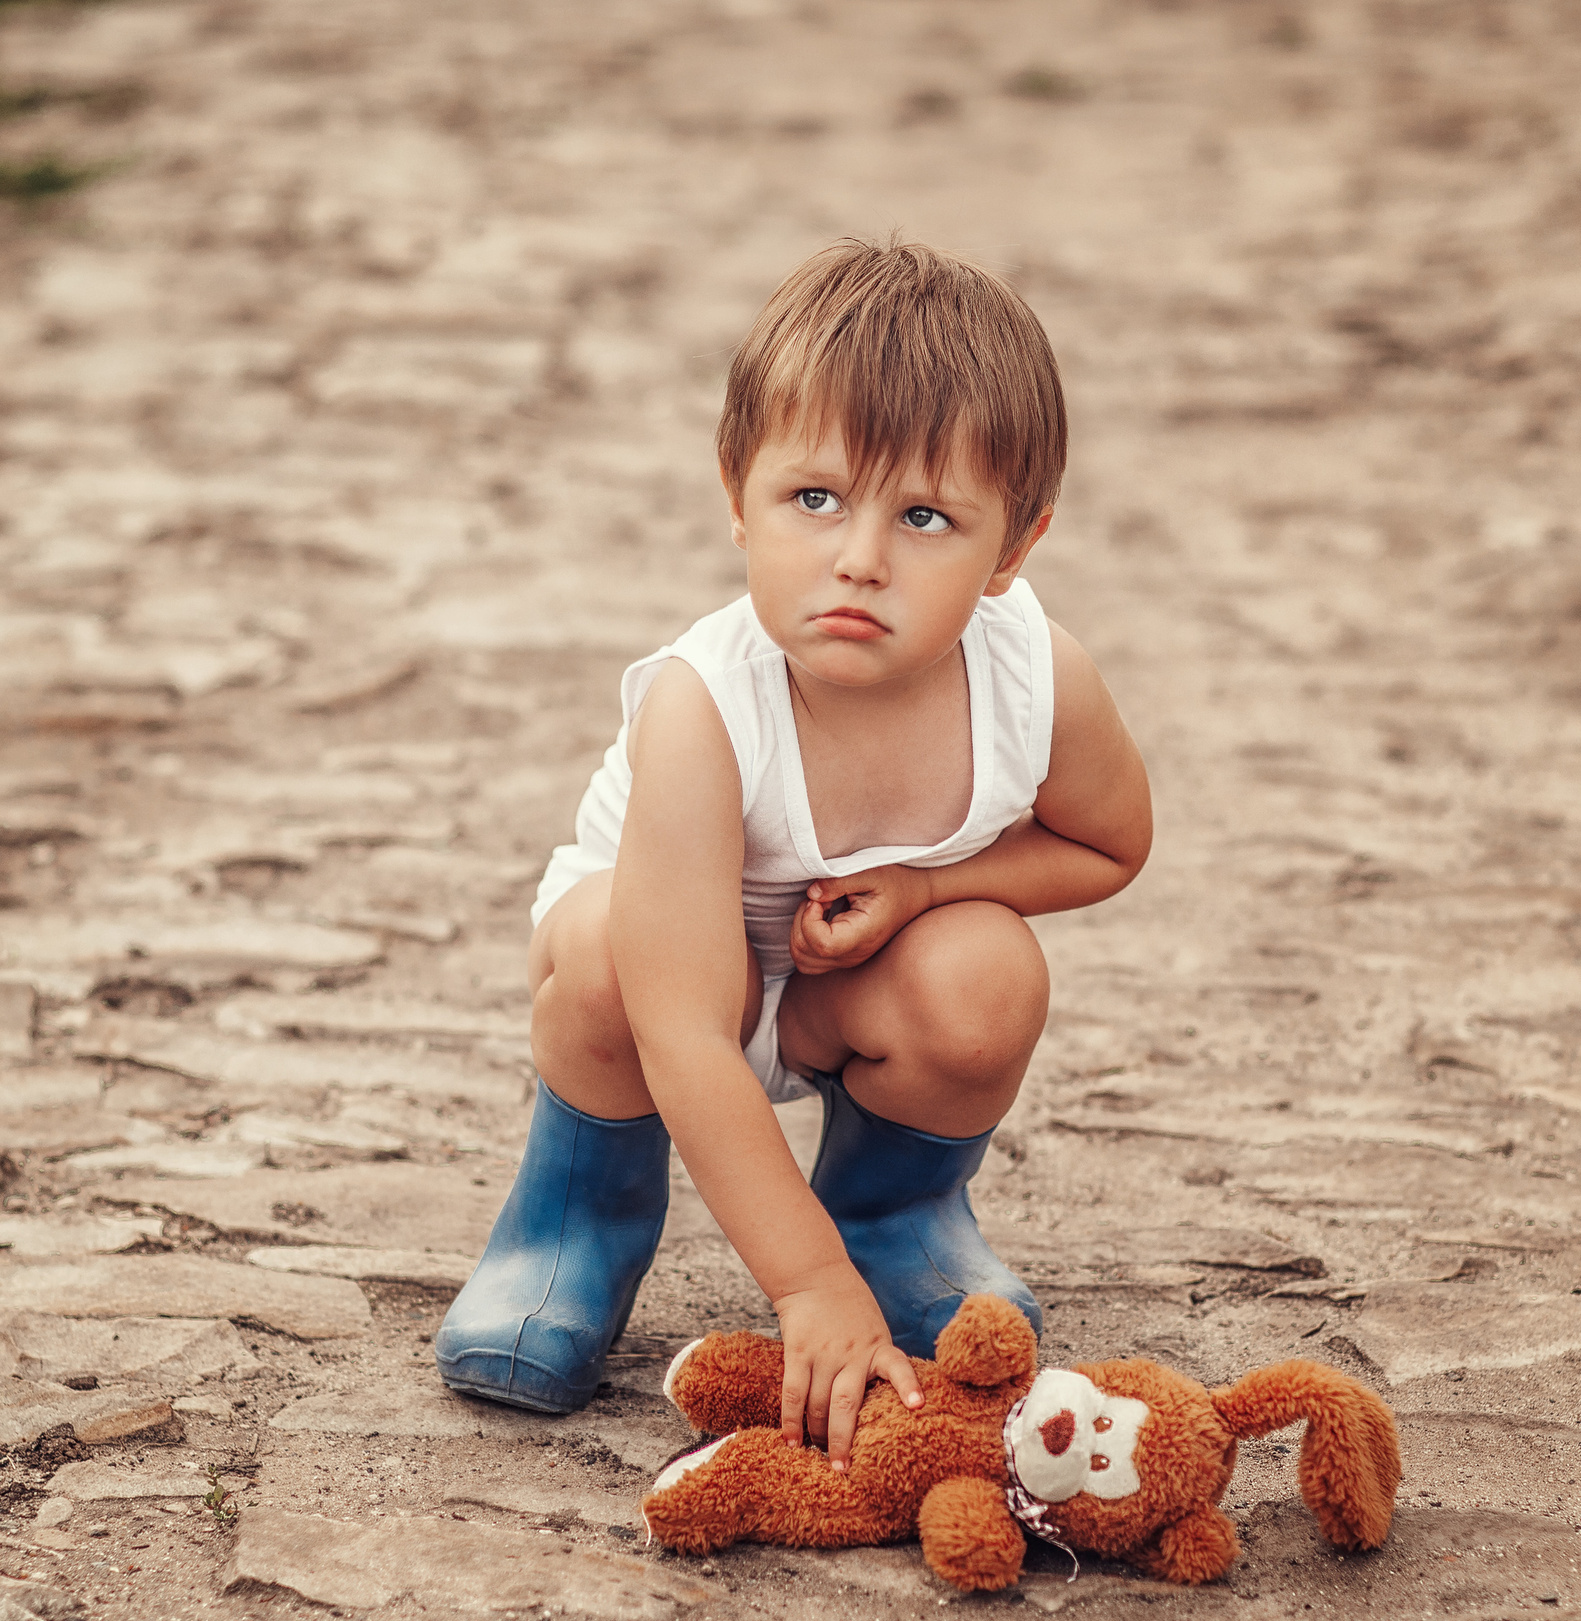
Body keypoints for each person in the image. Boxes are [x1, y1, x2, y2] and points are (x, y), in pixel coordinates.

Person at [435, 237, 1152, 1472]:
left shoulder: (1035, 676)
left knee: (986, 971)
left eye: (925, 516)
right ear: (737, 493)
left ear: (1013, 549)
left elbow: (1107, 841)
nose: (860, 557)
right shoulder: (705, 705)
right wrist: (805, 1292)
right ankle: (577, 1221)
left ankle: (890, 1214)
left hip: (837, 991)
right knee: (606, 954)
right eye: (813, 499)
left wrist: (934, 885)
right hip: (662, 1009)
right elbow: (687, 1030)